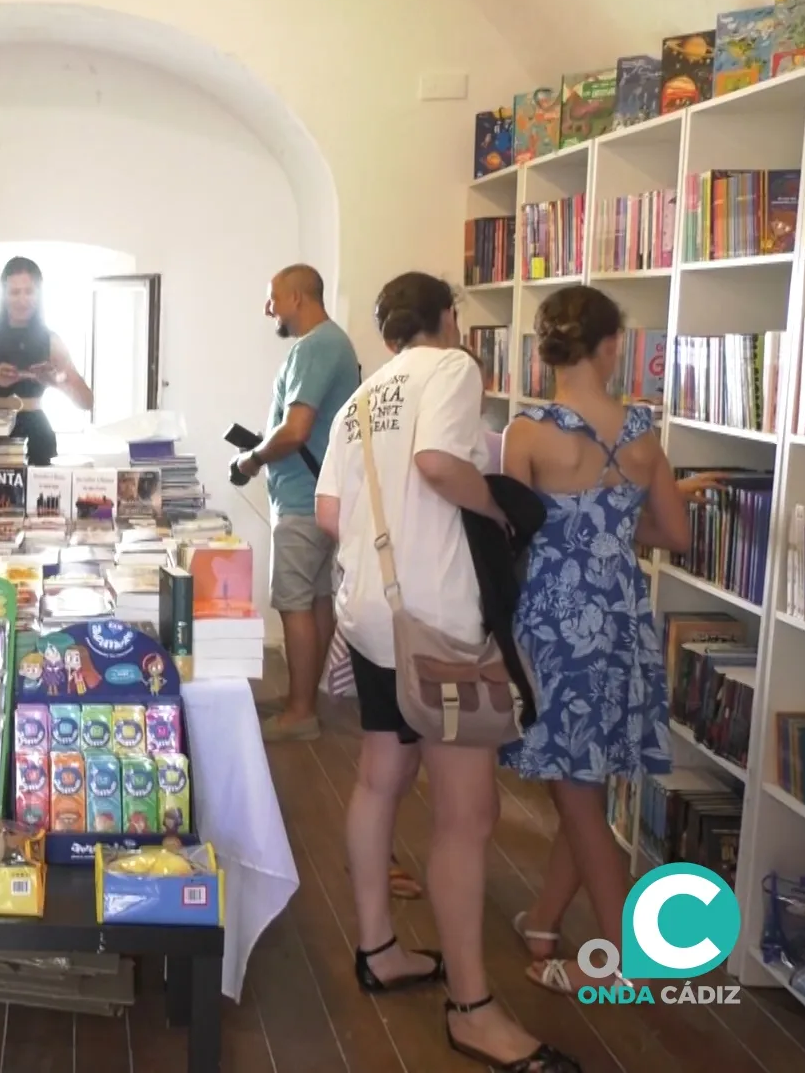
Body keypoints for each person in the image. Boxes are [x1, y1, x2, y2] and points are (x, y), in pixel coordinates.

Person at [316, 272, 580, 1072]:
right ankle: (472, 1008)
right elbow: (436, 461)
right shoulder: (454, 369)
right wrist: (495, 509)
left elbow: (330, 514)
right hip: (439, 626)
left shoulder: (364, 396)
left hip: (372, 613)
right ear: (448, 318)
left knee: (379, 777)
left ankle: (379, 949)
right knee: (468, 814)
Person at [499, 287, 711, 997]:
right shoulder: (645, 435)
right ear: (611, 345)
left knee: (576, 791)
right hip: (620, 619)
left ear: (547, 348)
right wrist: (612, 533)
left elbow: (509, 537)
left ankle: (624, 959)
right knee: (582, 781)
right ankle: (545, 920)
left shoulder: (526, 433)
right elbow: (673, 536)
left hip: (555, 623)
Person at [237, 264, 360, 744]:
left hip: (302, 500)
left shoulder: (315, 347)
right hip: (319, 494)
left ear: (296, 297)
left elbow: (296, 430)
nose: (269, 309)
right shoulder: (333, 344)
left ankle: (300, 710)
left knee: (294, 602)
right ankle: (306, 698)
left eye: (274, 298)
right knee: (316, 598)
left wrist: (251, 458)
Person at [0, 257, 93, 468]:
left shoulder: (52, 340)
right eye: (14, 292)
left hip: (37, 436)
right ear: (3, 295)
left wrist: (55, 381)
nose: (22, 300)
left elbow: (86, 401)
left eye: (29, 291)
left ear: (39, 294)